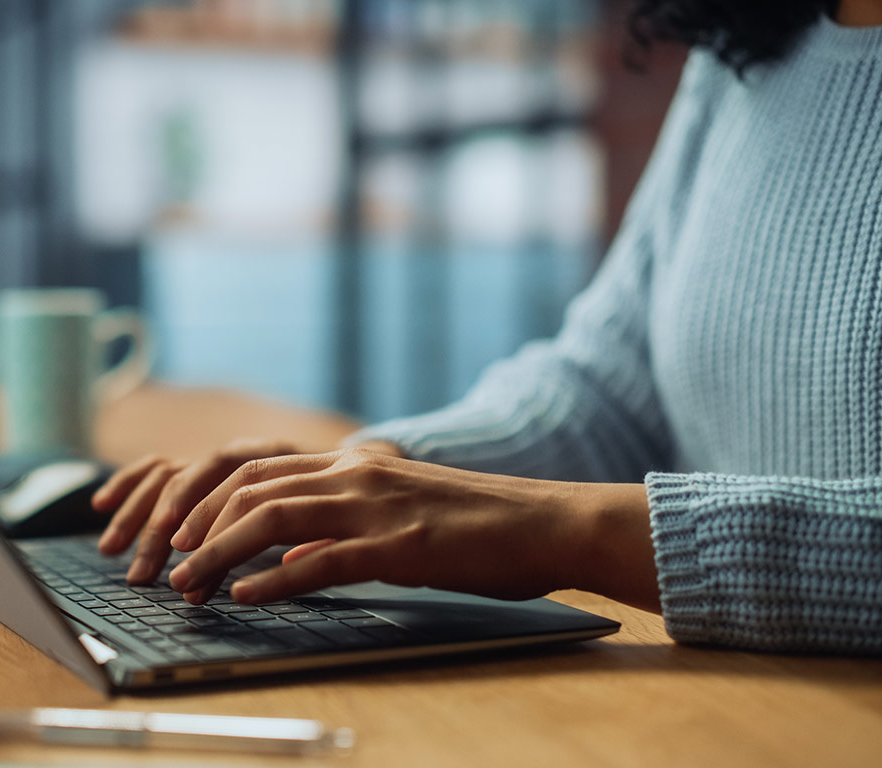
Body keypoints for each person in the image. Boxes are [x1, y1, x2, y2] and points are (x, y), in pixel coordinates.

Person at [91, 0, 882, 655]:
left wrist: (568, 532)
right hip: (712, 709)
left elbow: (574, 506)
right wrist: (374, 473)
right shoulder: (750, 40)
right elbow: (609, 384)